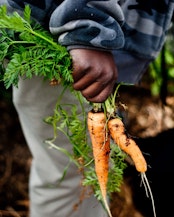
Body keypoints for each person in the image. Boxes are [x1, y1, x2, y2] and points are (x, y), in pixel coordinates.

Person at [1, 0, 174, 217]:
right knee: (69, 178)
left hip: (74, 28)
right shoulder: (83, 32)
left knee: (89, 167)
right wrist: (87, 29)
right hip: (57, 40)